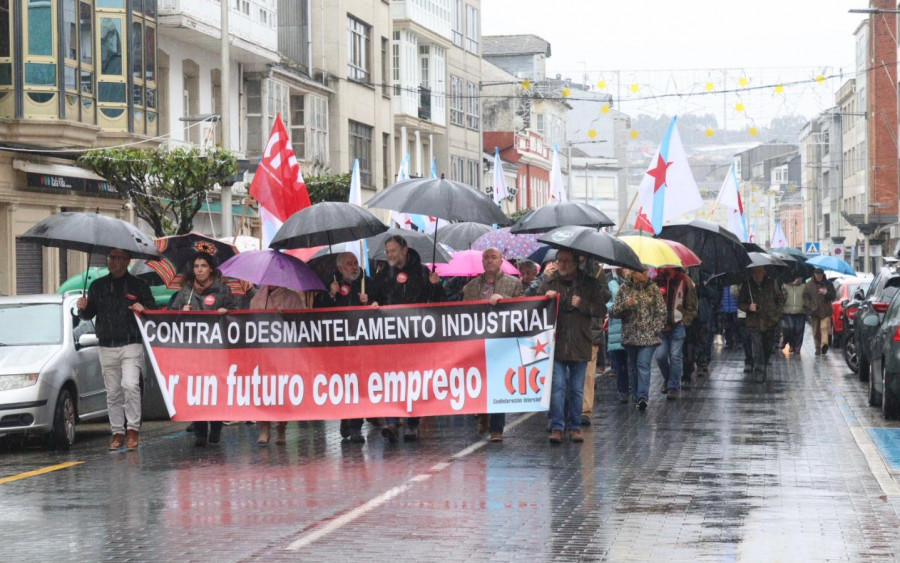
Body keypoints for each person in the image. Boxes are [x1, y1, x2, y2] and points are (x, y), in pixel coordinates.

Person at [77, 248, 155, 451]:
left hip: (131, 343)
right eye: (110, 257)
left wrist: (143, 309)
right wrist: (83, 307)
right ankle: (117, 432)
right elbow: (87, 316)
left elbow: (151, 311)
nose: (112, 261)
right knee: (112, 392)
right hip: (106, 345)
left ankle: (133, 430)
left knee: (130, 386)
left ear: (127, 261)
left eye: (117, 258)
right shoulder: (98, 286)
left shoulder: (139, 285)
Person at [373, 235, 444, 442]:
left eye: (393, 251)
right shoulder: (383, 274)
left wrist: (436, 285)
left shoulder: (423, 273)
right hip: (391, 338)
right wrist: (371, 303)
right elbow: (374, 299)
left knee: (414, 381)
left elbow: (439, 303)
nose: (389, 255)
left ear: (404, 250)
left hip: (416, 338)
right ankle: (392, 422)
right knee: (391, 380)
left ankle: (412, 423)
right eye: (387, 252)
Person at [169, 252, 238, 447]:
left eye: (203, 266)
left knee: (215, 388)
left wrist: (227, 313)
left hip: (217, 350)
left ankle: (216, 426)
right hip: (194, 350)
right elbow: (170, 317)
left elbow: (236, 314)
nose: (199, 270)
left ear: (211, 269)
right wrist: (182, 313)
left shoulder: (223, 290)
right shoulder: (185, 292)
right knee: (197, 389)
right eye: (196, 266)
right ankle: (200, 431)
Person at [537, 249, 604, 444]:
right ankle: (557, 426)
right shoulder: (549, 282)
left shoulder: (588, 283)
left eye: (566, 261)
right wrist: (545, 299)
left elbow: (600, 309)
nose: (562, 264)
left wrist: (582, 304)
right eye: (560, 260)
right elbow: (534, 306)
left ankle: (574, 426)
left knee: (576, 389)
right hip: (556, 344)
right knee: (557, 386)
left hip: (580, 342)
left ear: (576, 262)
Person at [315, 252, 378, 443]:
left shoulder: (367, 282)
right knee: (345, 385)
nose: (354, 267)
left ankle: (356, 426)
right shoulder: (330, 283)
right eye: (349, 264)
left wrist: (370, 303)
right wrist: (330, 294)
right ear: (340, 268)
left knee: (358, 383)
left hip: (361, 344)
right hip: (339, 346)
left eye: (355, 263)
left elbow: (380, 305)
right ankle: (347, 416)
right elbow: (318, 310)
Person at [462, 247, 524, 442]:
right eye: (486, 257)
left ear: (501, 260)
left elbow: (523, 308)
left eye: (493, 257)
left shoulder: (513, 284)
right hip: (477, 341)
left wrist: (505, 301)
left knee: (498, 383)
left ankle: (497, 427)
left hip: (502, 342)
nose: (489, 260)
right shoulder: (471, 287)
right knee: (479, 382)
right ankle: (482, 414)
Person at [251, 284, 307, 445]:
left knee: (282, 390)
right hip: (262, 350)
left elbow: (302, 322)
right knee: (263, 389)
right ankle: (264, 427)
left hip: (284, 351)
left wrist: (287, 316)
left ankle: (281, 426)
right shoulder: (257, 298)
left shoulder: (293, 297)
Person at [610, 267, 666, 410]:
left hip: (649, 337)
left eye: (647, 271)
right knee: (633, 367)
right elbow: (615, 311)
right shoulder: (624, 288)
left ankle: (642, 396)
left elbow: (661, 311)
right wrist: (626, 305)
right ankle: (636, 395)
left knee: (643, 365)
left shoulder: (653, 288)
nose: (645, 274)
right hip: (630, 336)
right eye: (642, 271)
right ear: (634, 272)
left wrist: (655, 328)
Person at [653, 267, 697, 399]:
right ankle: (668, 378)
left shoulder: (685, 281)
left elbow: (692, 305)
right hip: (661, 327)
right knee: (660, 356)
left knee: (675, 356)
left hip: (678, 325)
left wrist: (685, 320)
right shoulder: (656, 281)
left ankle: (673, 386)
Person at [738, 266, 784, 382]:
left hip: (770, 321)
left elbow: (780, 300)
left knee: (768, 347)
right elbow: (740, 303)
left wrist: (777, 315)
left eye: (760, 271)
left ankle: (763, 365)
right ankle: (759, 371)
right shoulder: (747, 285)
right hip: (754, 322)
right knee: (757, 347)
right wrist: (749, 307)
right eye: (755, 272)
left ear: (764, 272)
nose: (758, 274)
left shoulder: (772, 283)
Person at [582, 263, 611, 425]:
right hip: (569, 329)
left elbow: (606, 296)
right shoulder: (565, 266)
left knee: (588, 372)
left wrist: (592, 287)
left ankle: (585, 410)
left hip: (591, 327)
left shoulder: (596, 270)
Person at [605, 268, 630, 404]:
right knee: (620, 363)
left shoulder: (632, 282)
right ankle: (623, 390)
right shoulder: (610, 282)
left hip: (632, 327)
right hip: (616, 328)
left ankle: (634, 388)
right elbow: (606, 305)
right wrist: (621, 305)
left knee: (631, 362)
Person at [804, 268, 837, 355]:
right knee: (816, 331)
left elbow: (833, 296)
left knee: (824, 327)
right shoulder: (809, 285)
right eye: (817, 274)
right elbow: (806, 297)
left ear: (823, 274)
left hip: (826, 311)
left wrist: (826, 293)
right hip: (814, 311)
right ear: (814, 274)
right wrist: (810, 306)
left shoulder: (828, 284)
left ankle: (824, 344)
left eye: (820, 274)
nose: (819, 276)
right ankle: (817, 347)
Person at [781, 276, 806, 354]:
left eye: (800, 278)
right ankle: (791, 345)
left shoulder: (804, 287)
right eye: (797, 278)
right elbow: (782, 298)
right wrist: (783, 289)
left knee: (799, 330)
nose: (799, 279)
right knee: (790, 329)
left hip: (800, 312)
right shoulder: (786, 286)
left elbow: (808, 297)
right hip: (788, 311)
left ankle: (797, 347)